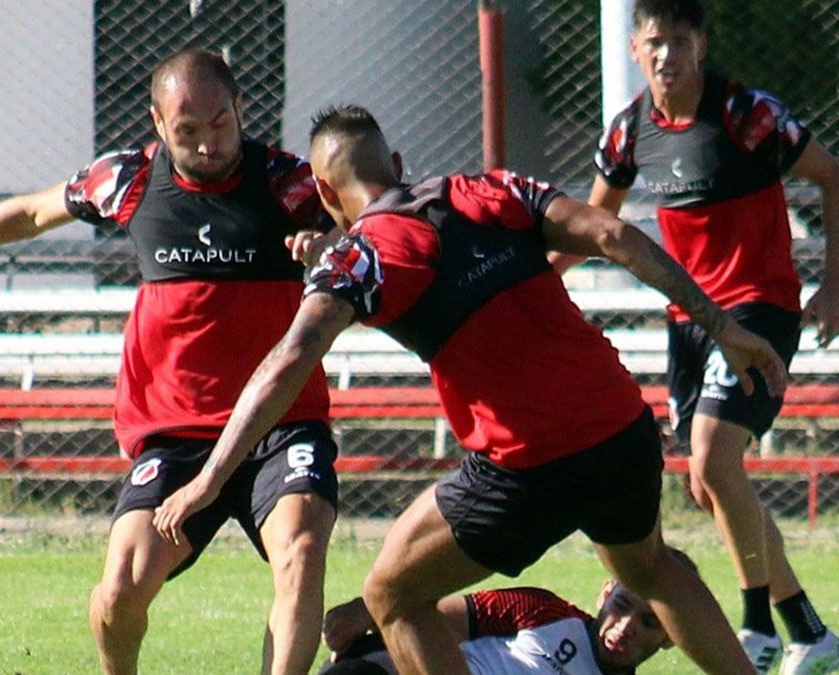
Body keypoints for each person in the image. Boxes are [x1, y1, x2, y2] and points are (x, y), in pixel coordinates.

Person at [152, 104, 789, 674]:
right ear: (396, 164)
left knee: (391, 597)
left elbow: (291, 356)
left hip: (525, 464)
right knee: (650, 569)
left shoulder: (361, 257)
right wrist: (724, 328)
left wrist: (209, 479)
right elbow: (614, 235)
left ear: (324, 190)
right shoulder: (489, 187)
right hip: (621, 430)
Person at [0, 49, 340, 675]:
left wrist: (330, 245)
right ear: (158, 123)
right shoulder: (126, 179)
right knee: (120, 588)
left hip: (280, 422)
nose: (208, 145)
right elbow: (30, 212)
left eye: (220, 125)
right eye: (188, 132)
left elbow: (372, 230)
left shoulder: (290, 184)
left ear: (240, 109)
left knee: (303, 548)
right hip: (176, 431)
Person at [552, 1, 839, 672]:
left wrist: (834, 282)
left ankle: (755, 626)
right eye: (654, 42)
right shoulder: (628, 134)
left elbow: (831, 173)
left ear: (701, 45)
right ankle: (808, 629)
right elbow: (594, 223)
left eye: (679, 40)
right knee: (712, 484)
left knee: (711, 459)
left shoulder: (747, 115)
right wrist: (527, 279)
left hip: (758, 313)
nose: (666, 55)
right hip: (688, 324)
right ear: (635, 49)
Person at [318, 549, 701, 675]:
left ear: (673, 636)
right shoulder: (542, 611)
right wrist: (368, 615)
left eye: (650, 622)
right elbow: (423, 623)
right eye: (621, 606)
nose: (626, 627)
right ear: (605, 594)